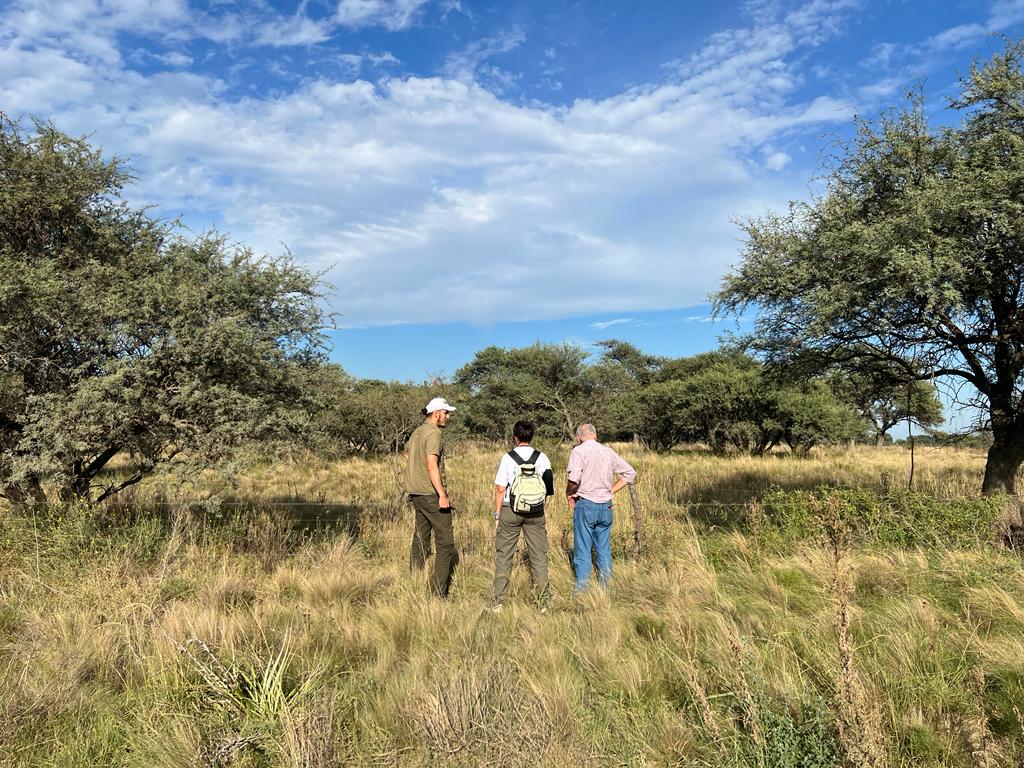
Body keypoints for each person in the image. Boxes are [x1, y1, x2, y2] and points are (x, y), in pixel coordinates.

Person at [491, 421, 554, 612]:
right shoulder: (542, 457)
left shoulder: (508, 458)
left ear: (515, 437)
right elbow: (549, 488)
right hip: (536, 510)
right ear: (531, 436)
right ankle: (543, 602)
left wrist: (497, 514)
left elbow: (501, 488)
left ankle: (499, 601)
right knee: (538, 556)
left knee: (504, 555)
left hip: (511, 509)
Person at [565, 423, 636, 593]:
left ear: (578, 437)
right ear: (595, 436)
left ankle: (581, 592)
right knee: (603, 549)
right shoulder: (608, 451)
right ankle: (606, 588)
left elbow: (574, 479)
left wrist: (569, 493)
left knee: (582, 550)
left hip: (586, 504)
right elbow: (630, 473)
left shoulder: (578, 451)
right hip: (606, 506)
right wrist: (610, 490)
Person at [405, 396, 458, 598]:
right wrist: (442, 495)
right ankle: (438, 593)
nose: (448, 416)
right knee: (445, 544)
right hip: (430, 494)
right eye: (445, 413)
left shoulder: (417, 432)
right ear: (436, 413)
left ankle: (415, 581)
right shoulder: (434, 434)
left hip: (416, 494)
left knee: (420, 538)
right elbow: (431, 465)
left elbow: (407, 455)